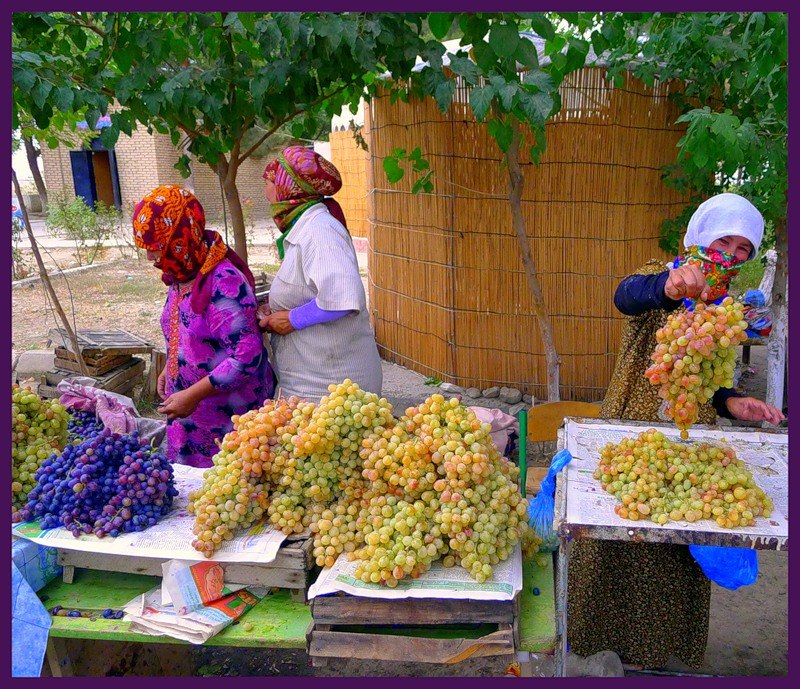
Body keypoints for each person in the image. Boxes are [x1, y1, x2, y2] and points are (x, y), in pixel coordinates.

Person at [568, 193, 785, 670]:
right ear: (700, 237)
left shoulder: (724, 309)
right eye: (723, 241)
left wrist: (732, 401)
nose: (731, 255)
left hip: (689, 439)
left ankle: (658, 658)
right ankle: (594, 651)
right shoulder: (658, 276)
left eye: (743, 249)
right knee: (612, 539)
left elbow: (710, 379)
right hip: (630, 431)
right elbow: (625, 296)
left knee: (676, 547)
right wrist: (667, 287)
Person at [133, 185, 274, 468]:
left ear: (180, 239)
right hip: (189, 416)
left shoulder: (223, 282)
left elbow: (246, 357)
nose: (151, 258)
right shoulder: (183, 272)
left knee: (223, 487)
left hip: (227, 420)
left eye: (156, 248)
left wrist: (192, 395)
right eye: (146, 249)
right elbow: (186, 331)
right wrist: (171, 367)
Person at [258, 145, 382, 401]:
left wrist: (292, 318)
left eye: (269, 182)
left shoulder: (320, 231)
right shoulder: (306, 226)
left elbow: (341, 299)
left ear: (287, 187)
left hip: (335, 385)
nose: (265, 191)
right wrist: (277, 307)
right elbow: (310, 288)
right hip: (315, 377)